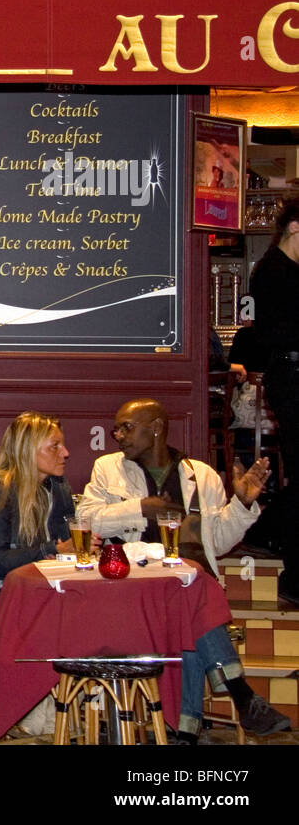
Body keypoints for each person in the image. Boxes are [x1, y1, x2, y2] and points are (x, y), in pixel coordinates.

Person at [77, 397, 289, 741]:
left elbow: (218, 542)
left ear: (156, 428)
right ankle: (241, 693)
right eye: (117, 428)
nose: (118, 435)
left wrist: (243, 503)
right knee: (188, 603)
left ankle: (184, 733)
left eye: (127, 427)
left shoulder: (200, 475)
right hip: (137, 591)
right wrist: (139, 508)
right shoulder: (108, 469)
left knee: (186, 603)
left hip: (193, 586)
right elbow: (86, 518)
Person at [248, 196, 299, 602]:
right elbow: (275, 335)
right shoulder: (273, 273)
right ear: (295, 228)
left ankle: (267, 533)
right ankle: (287, 563)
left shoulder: (284, 270)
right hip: (292, 374)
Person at [0, 412, 75, 581]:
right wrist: (52, 549)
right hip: (7, 590)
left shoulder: (59, 486)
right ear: (28, 450)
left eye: (64, 445)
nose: (66, 453)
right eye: (55, 446)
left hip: (51, 584)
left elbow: (67, 544)